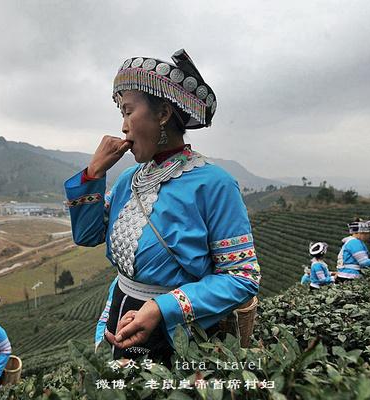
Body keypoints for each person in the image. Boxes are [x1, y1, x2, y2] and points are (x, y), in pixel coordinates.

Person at [65, 49, 260, 361]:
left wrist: (161, 308)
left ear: (163, 114)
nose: (124, 126)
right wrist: (93, 174)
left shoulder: (214, 184)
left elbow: (242, 277)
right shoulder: (129, 179)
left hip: (178, 324)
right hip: (123, 310)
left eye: (129, 111)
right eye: (122, 115)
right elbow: (88, 235)